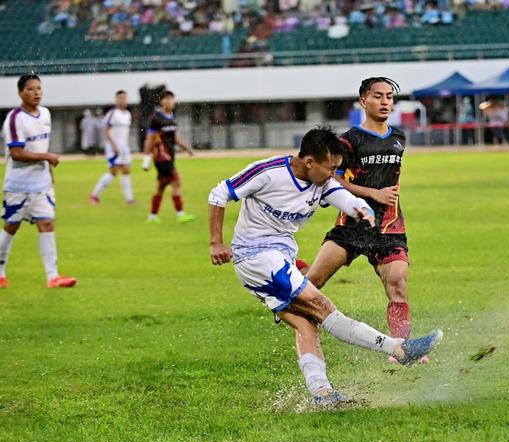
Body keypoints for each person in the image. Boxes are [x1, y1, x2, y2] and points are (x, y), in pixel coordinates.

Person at [207, 127, 443, 405]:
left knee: (307, 325)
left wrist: (362, 210)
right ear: (309, 162)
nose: (333, 175)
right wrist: (216, 243)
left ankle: (322, 394)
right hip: (256, 257)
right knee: (322, 307)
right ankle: (399, 349)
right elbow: (219, 193)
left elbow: (346, 198)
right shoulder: (268, 171)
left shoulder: (321, 181)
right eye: (330, 169)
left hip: (281, 257)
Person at [301, 77, 424, 364]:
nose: (385, 102)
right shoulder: (348, 141)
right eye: (378, 96)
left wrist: (384, 198)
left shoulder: (399, 138)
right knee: (312, 283)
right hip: (351, 225)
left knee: (397, 283)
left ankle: (404, 349)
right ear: (363, 101)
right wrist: (372, 193)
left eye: (390, 97)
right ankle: (285, 288)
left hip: (389, 226)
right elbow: (333, 177)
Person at [0, 74, 77, 289]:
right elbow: (16, 153)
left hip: (41, 182)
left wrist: (48, 171)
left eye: (39, 88)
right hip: (18, 183)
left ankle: (52, 277)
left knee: (47, 223)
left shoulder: (45, 114)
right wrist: (47, 157)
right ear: (20, 93)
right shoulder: (15, 118)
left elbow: (41, 146)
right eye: (31, 89)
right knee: (11, 225)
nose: (37, 93)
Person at [142, 90, 196, 223]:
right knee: (176, 181)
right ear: (162, 101)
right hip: (161, 158)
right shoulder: (156, 118)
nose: (171, 101)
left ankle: (152, 216)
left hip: (170, 157)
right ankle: (180, 214)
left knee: (161, 186)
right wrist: (146, 159)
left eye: (172, 99)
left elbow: (175, 139)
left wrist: (187, 148)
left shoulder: (171, 118)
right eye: (168, 99)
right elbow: (149, 139)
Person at [89, 90, 134, 204]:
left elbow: (125, 132)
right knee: (113, 171)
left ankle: (129, 199)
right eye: (120, 98)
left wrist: (127, 146)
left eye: (124, 98)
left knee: (126, 170)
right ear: (116, 100)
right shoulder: (112, 113)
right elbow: (105, 129)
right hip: (114, 148)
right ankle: (94, 195)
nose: (122, 100)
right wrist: (113, 145)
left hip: (124, 148)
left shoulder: (128, 114)